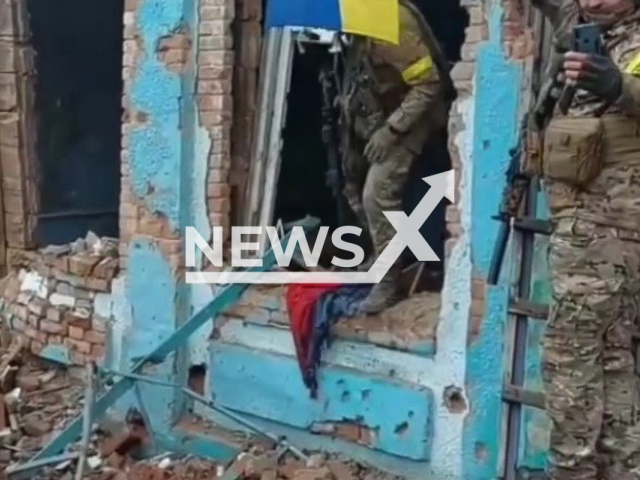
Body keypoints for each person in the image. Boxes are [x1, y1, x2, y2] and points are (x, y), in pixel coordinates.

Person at [531, 0, 640, 478]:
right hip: (586, 224)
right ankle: (622, 467)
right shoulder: (580, 32)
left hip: (607, 228)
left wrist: (617, 84)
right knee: (611, 355)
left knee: (568, 355)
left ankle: (571, 470)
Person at [337, 0, 453, 314]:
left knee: (377, 193)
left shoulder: (391, 20)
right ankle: (383, 255)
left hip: (415, 117)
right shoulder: (358, 20)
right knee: (353, 179)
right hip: (383, 115)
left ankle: (388, 283)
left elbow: (428, 86)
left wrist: (391, 131)